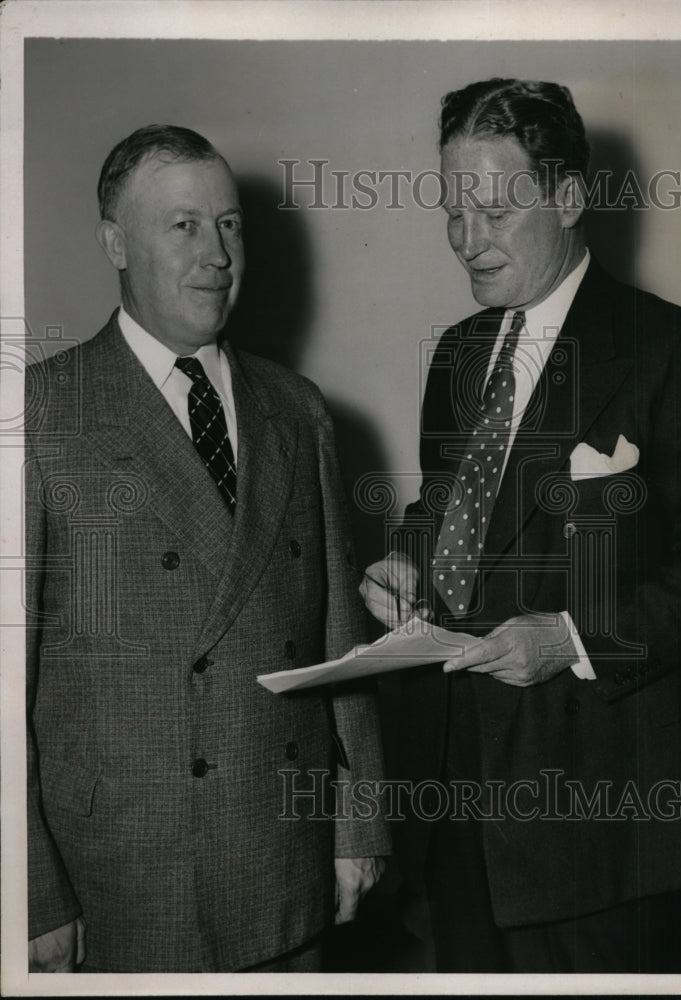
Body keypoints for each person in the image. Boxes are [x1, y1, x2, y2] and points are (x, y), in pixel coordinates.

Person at [26, 124, 389, 973]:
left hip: (288, 868)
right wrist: (33, 894)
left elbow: (343, 642)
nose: (216, 253)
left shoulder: (297, 409)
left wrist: (361, 821)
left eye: (229, 225)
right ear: (115, 240)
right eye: (182, 226)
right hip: (119, 882)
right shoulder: (41, 415)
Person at [361, 78, 681, 973]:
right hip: (448, 798)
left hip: (597, 833)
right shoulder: (460, 352)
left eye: (495, 209)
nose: (467, 242)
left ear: (569, 197)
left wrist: (573, 638)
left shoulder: (672, 349)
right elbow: (446, 506)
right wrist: (403, 556)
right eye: (452, 211)